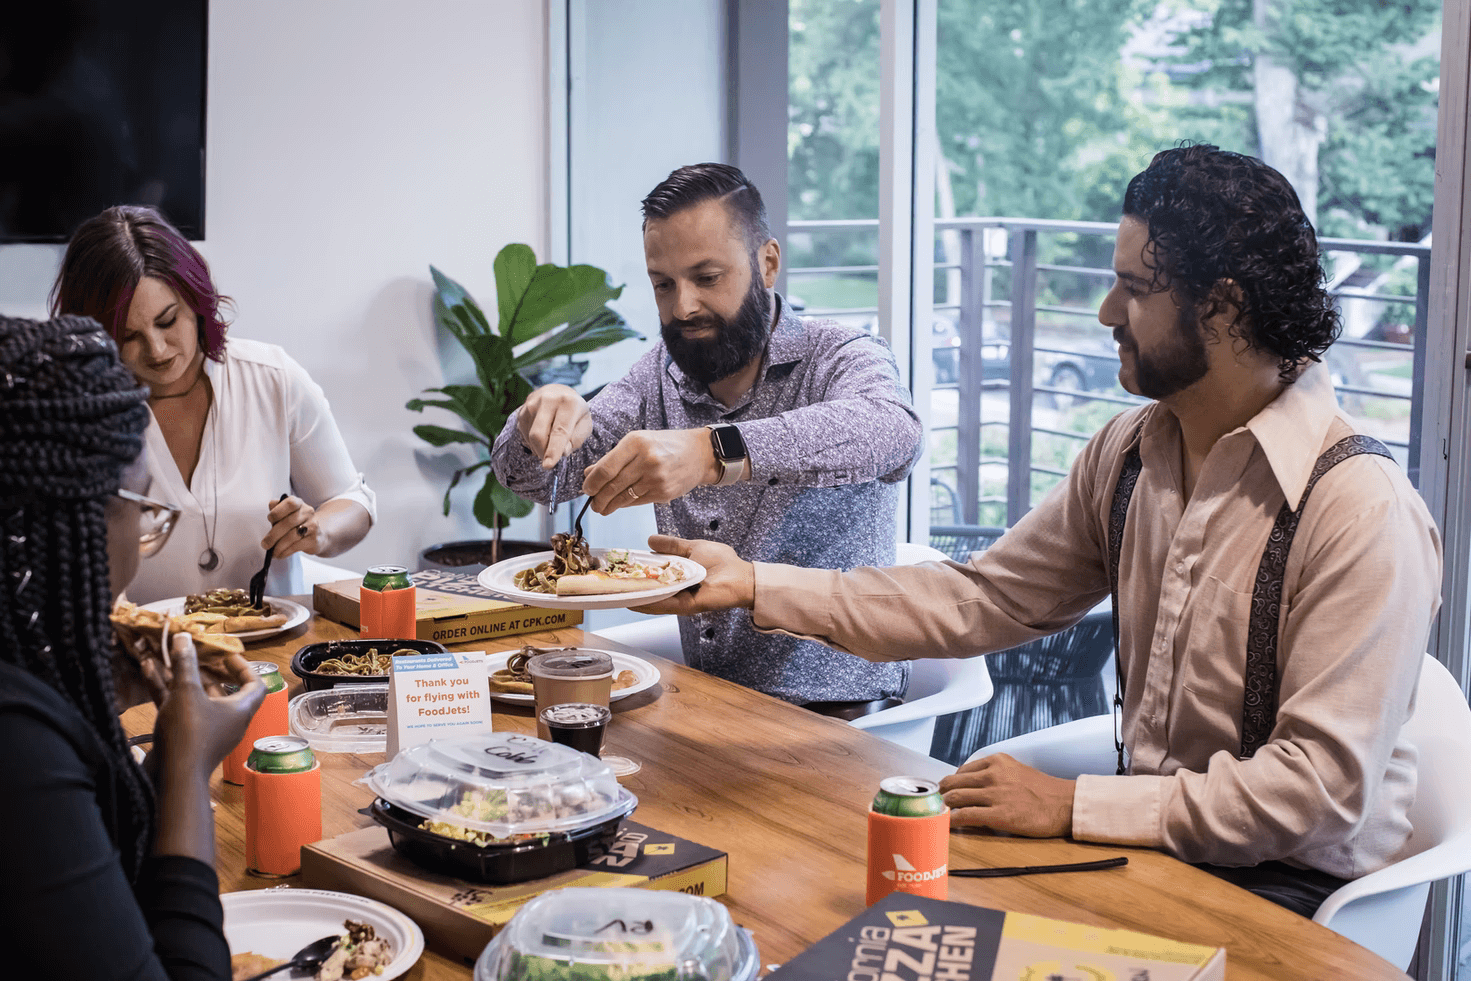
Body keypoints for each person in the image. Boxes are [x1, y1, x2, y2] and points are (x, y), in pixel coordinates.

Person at [643, 145, 1443, 917]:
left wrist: (1072, 803)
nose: (1105, 313)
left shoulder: (1359, 509)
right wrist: (752, 583)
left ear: (1221, 306)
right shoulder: (1128, 453)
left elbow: (1315, 796)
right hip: (1155, 855)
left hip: (1290, 895)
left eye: (1133, 288)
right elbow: (979, 599)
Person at [490, 163, 924, 711]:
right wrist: (539, 422)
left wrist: (712, 451)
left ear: (767, 263)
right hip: (709, 699)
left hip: (839, 712)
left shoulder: (839, 355)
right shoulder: (658, 376)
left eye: (707, 277)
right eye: (664, 284)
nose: (683, 307)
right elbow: (528, 478)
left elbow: (893, 430)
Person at [0, 313, 267, 980]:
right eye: (143, 508)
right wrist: (184, 760)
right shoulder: (16, 743)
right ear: (76, 516)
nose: (145, 535)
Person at [49, 205, 376, 604]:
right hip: (143, 653)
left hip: (269, 646)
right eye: (128, 336)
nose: (157, 349)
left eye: (167, 321)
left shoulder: (271, 378)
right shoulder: (77, 411)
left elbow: (352, 501)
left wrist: (316, 531)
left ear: (197, 302)